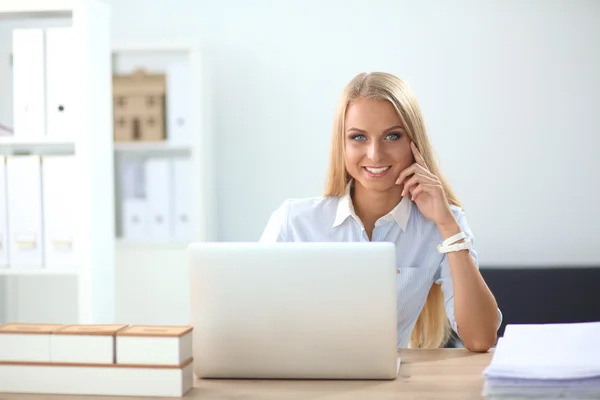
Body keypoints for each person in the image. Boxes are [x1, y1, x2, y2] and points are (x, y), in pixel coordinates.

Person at [260, 72, 501, 352]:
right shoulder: (293, 222)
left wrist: (446, 224)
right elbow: (254, 321)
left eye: (392, 136)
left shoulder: (443, 224)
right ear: (343, 144)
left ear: (414, 143)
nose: (375, 154)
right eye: (358, 137)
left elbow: (480, 338)